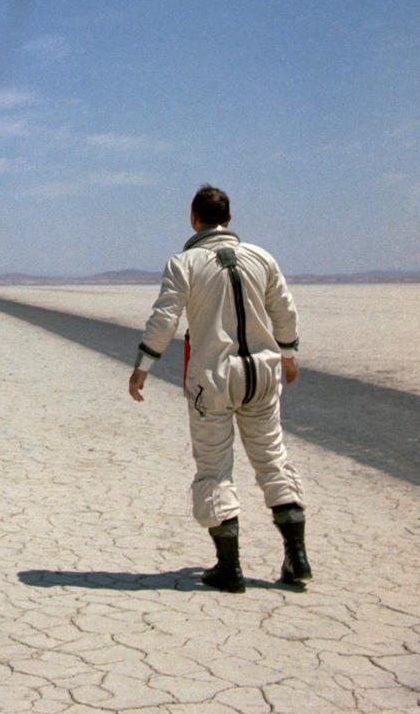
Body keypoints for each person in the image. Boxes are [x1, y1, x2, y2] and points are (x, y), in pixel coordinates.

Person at [128, 185, 310, 593]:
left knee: (214, 467)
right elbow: (284, 308)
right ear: (228, 218)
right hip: (263, 375)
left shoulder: (184, 263)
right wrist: (288, 354)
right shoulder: (261, 257)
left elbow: (165, 318)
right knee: (272, 459)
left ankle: (229, 569)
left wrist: (143, 367)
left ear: (194, 219)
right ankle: (296, 558)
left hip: (214, 379)